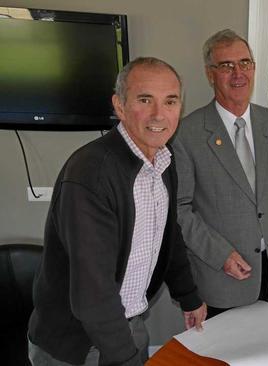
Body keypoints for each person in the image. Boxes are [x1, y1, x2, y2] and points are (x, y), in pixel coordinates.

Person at [28, 57, 207, 366]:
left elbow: (168, 233)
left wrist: (188, 295)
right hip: (77, 342)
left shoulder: (164, 159)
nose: (158, 114)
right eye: (144, 99)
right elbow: (92, 293)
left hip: (129, 322)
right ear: (120, 106)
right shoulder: (91, 173)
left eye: (170, 101)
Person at [173, 29, 268, 318]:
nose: (238, 73)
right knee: (220, 358)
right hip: (220, 273)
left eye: (245, 63)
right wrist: (221, 256)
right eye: (226, 66)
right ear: (210, 74)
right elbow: (180, 210)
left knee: (262, 353)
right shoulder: (186, 133)